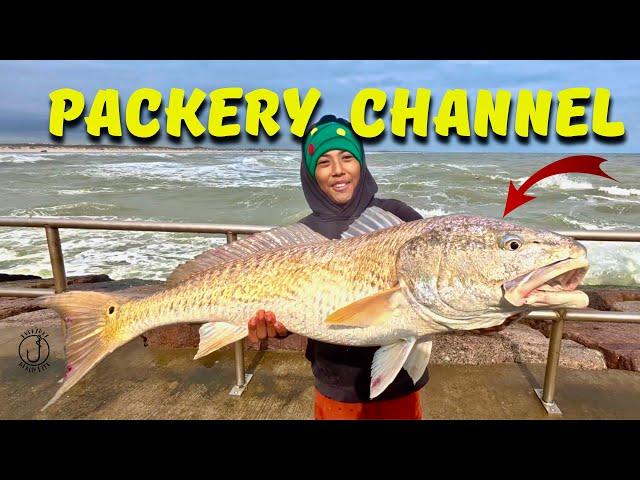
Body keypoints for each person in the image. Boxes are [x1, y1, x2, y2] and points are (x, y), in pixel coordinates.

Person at [246, 115, 428, 420]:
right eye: (324, 162)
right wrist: (274, 329)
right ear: (311, 173)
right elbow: (293, 309)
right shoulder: (299, 238)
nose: (338, 170)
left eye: (347, 157)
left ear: (362, 163)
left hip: (401, 385)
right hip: (335, 388)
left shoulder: (399, 217)